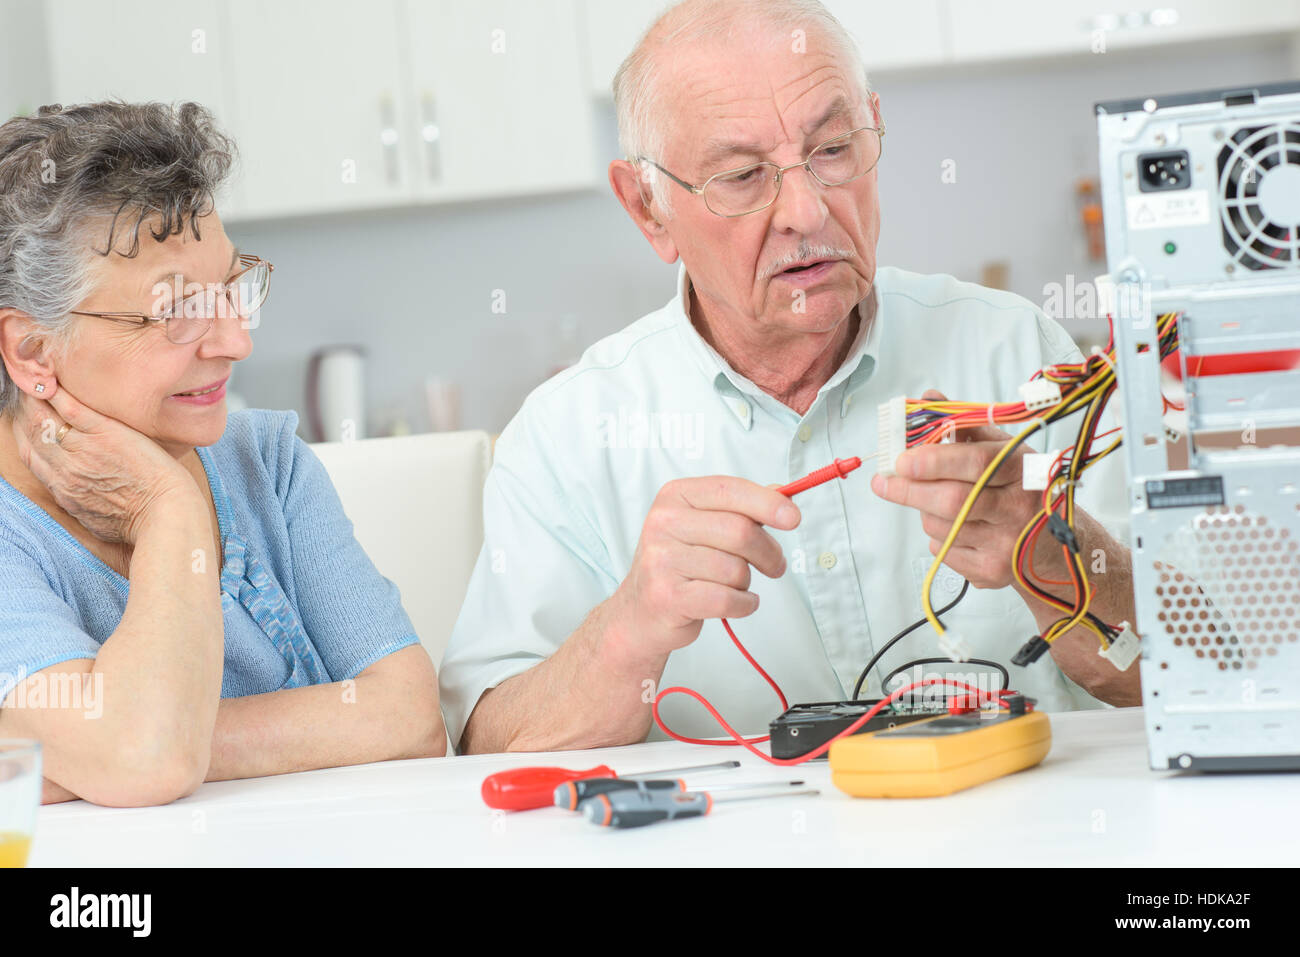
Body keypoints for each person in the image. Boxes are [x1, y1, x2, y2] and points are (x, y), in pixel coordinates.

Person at [439, 0, 1139, 755]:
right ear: (648, 208)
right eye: (742, 176)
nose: (806, 210)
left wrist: (1050, 553)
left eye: (834, 149)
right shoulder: (564, 438)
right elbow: (487, 750)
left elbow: (1195, 669)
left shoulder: (1018, 353)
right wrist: (629, 629)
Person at [0, 102, 446, 807]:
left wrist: (85, 760)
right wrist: (170, 510)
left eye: (233, 289)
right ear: (32, 351)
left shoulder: (265, 459)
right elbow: (147, 756)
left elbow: (411, 715)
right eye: (177, 309)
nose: (235, 341)